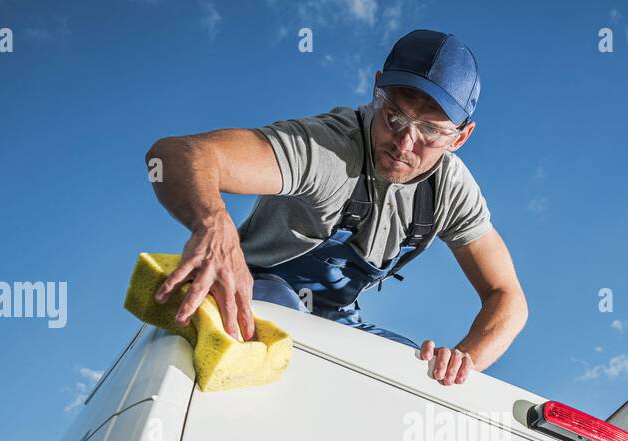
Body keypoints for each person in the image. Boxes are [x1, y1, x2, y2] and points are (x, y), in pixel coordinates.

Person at [145, 29, 528, 386]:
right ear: (377, 89)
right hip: (262, 290)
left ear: (461, 136)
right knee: (272, 315)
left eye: (429, 130)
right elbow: (176, 155)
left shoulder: (450, 190)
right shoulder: (326, 149)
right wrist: (213, 226)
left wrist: (464, 361)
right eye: (394, 115)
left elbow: (507, 298)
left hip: (340, 318)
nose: (404, 143)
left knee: (413, 376)